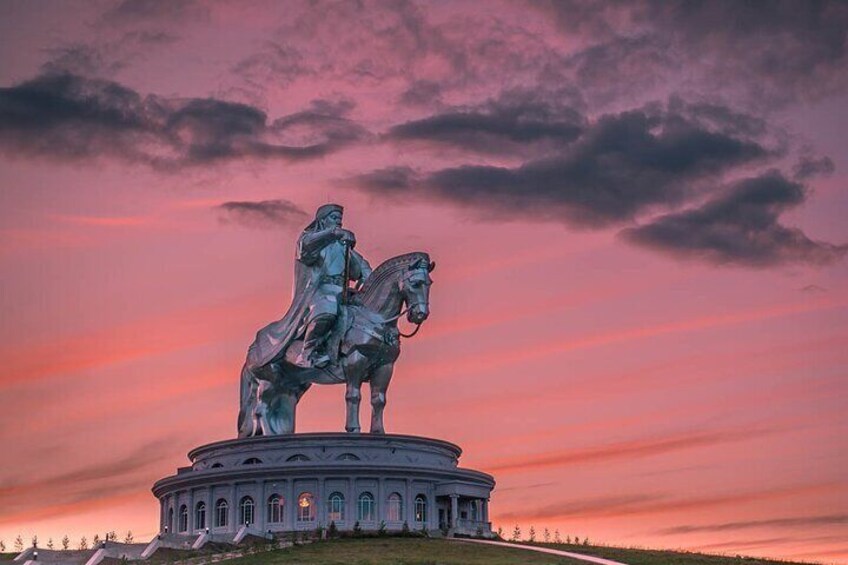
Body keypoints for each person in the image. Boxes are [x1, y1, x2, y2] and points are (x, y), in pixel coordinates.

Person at [294, 204, 371, 367]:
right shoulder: (310, 239)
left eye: (340, 219)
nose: (338, 222)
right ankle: (307, 352)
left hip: (342, 291)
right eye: (334, 218)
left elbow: (362, 266)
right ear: (322, 220)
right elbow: (306, 248)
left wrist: (368, 279)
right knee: (327, 309)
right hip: (320, 290)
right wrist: (333, 233)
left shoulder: (343, 246)